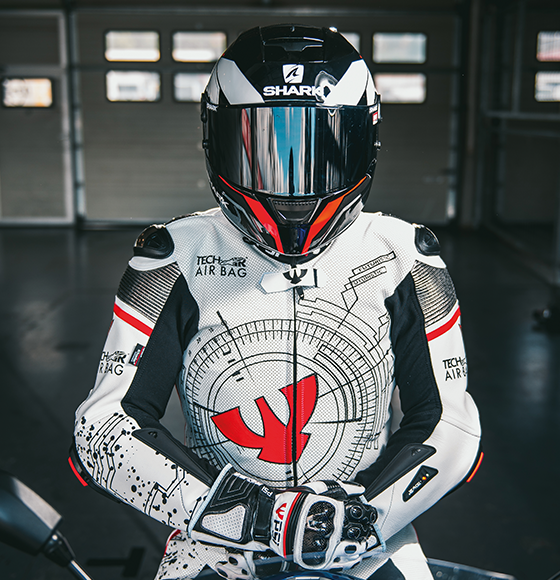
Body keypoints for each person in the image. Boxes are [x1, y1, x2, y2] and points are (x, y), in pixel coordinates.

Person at [70, 24, 482, 580]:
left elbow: (451, 422)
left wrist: (358, 519)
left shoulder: (404, 255)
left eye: (320, 153)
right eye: (265, 151)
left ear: (365, 143)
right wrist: (256, 518)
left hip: (369, 537)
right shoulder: (175, 257)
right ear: (217, 143)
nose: (292, 182)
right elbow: (104, 427)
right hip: (212, 545)